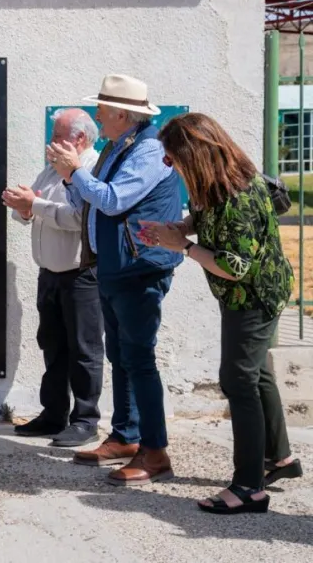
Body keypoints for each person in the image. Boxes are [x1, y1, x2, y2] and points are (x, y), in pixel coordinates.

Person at [139, 112, 303, 514]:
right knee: (257, 373)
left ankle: (250, 487)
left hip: (253, 296)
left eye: (171, 157)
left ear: (194, 153)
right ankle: (277, 459)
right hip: (251, 293)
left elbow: (235, 266)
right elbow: (208, 217)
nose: (168, 164)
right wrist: (179, 228)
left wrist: (182, 246)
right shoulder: (218, 184)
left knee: (238, 379)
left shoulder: (238, 196)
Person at [46, 74, 183, 486]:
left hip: (139, 267)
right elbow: (87, 197)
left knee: (138, 359)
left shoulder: (150, 150)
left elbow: (111, 199)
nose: (97, 116)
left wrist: (75, 172)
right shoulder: (118, 145)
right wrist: (71, 178)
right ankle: (127, 437)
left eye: (102, 110)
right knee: (121, 357)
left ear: (123, 114)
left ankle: (155, 452)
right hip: (114, 265)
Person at [3, 108, 104, 448]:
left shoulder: (91, 168)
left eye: (58, 135)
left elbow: (80, 218)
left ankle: (85, 419)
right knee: (53, 346)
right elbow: (32, 209)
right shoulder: (52, 168)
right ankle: (53, 413)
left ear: (79, 138)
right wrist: (22, 205)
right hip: (49, 274)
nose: (51, 142)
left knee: (84, 349)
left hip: (81, 275)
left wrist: (36, 204)